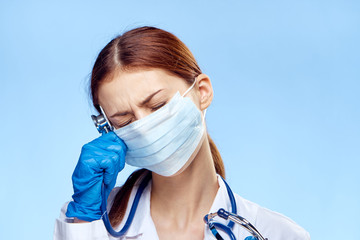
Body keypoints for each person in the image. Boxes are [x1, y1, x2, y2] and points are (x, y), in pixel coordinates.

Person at [53, 26, 310, 240]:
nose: (144, 129)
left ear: (202, 92)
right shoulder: (86, 226)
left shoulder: (276, 233)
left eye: (157, 106)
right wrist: (84, 220)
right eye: (125, 120)